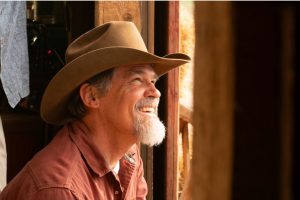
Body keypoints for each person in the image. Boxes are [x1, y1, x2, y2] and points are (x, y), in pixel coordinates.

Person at [0, 21, 190, 199]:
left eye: (153, 81)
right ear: (92, 96)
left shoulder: (127, 155)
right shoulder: (60, 189)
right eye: (137, 80)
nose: (155, 92)